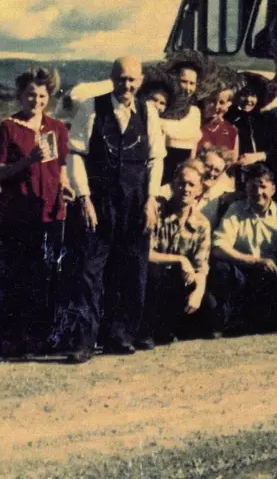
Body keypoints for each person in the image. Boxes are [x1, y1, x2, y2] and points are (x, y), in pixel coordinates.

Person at [64, 56, 165, 363]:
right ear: (112, 79)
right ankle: (83, 341)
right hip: (100, 200)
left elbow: (155, 159)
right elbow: (75, 154)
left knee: (131, 269)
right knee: (88, 272)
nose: (127, 85)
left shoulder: (148, 112)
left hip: (135, 202)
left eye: (132, 80)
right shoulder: (91, 108)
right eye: (121, 79)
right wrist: (84, 198)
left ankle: (120, 336)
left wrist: (151, 200)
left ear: (141, 81)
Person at [0, 67, 71, 357]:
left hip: (51, 212)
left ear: (49, 97)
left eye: (41, 95)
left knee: (48, 275)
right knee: (18, 275)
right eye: (30, 95)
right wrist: (28, 160)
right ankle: (14, 337)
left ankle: (43, 336)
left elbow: (60, 169)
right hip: (19, 213)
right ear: (20, 96)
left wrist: (66, 188)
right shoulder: (8, 128)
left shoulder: (57, 128)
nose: (36, 101)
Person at [210, 165, 277, 335]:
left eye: (263, 186)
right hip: (242, 270)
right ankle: (226, 321)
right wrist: (252, 260)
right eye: (252, 186)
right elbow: (218, 248)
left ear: (273, 189)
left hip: (270, 275)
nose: (258, 192)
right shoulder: (235, 210)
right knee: (222, 269)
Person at [140, 159, 215, 347]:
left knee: (209, 305)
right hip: (153, 279)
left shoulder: (202, 224)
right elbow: (146, 254)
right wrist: (179, 259)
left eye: (191, 185)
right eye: (181, 183)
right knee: (154, 274)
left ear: (199, 190)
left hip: (180, 281)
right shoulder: (157, 211)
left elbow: (201, 267)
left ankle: (177, 329)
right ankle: (147, 333)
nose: (186, 189)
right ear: (173, 184)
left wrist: (198, 292)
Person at [159, 58, 203, 184]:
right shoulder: (161, 107)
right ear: (174, 80)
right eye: (183, 82)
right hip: (161, 174)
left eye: (192, 83)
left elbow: (193, 151)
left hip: (183, 179)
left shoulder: (195, 112)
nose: (188, 88)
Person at [198, 82, 238, 158]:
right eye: (212, 101)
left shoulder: (231, 131)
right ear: (204, 101)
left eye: (222, 102)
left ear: (228, 105)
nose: (216, 106)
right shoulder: (194, 126)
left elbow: (232, 163)